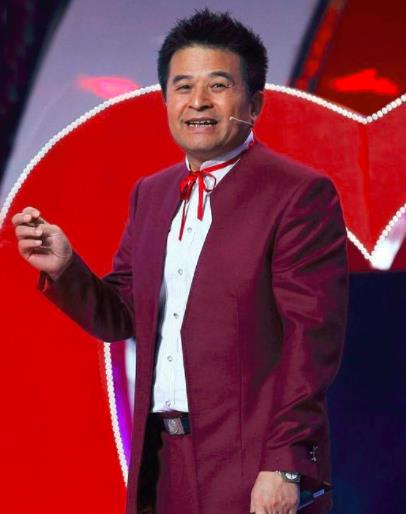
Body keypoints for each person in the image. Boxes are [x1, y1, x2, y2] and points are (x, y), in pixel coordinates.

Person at [12, 9, 348, 514]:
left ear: (254, 103)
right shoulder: (151, 193)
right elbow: (123, 316)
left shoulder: (297, 194)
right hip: (162, 461)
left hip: (249, 463)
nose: (198, 101)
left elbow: (311, 343)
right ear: (166, 100)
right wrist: (65, 269)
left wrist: (284, 465)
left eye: (218, 85)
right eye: (183, 86)